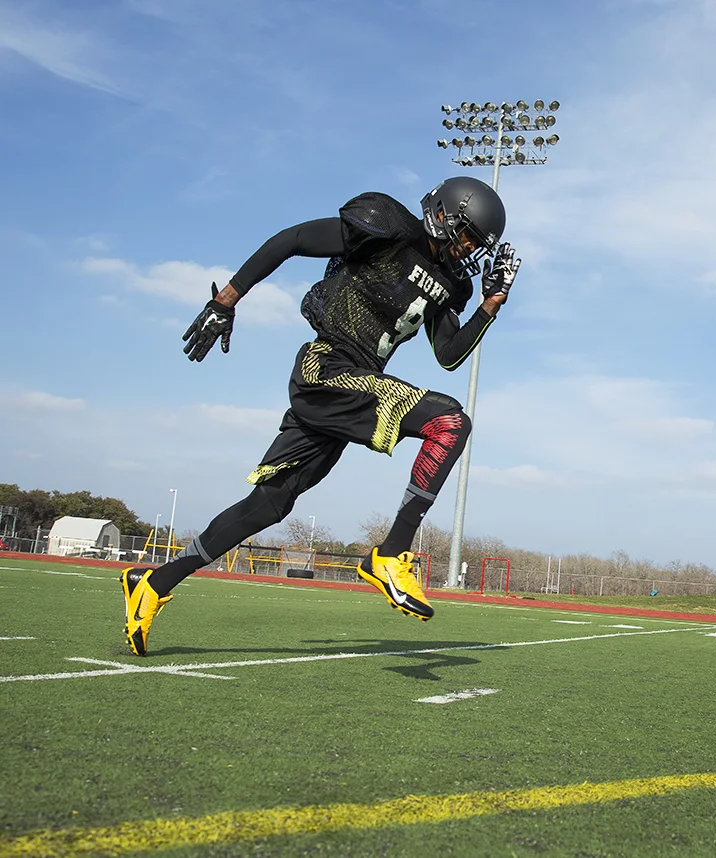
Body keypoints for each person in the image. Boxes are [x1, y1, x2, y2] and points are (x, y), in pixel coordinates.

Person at [119, 176, 520, 656]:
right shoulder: (388, 228)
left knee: (268, 505)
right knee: (450, 421)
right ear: (442, 215)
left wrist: (489, 306)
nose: (470, 250)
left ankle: (153, 582)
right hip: (326, 368)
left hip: (352, 387)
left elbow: (449, 354)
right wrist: (225, 300)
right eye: (469, 235)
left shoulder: (452, 282)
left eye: (479, 243)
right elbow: (293, 239)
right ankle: (390, 554)